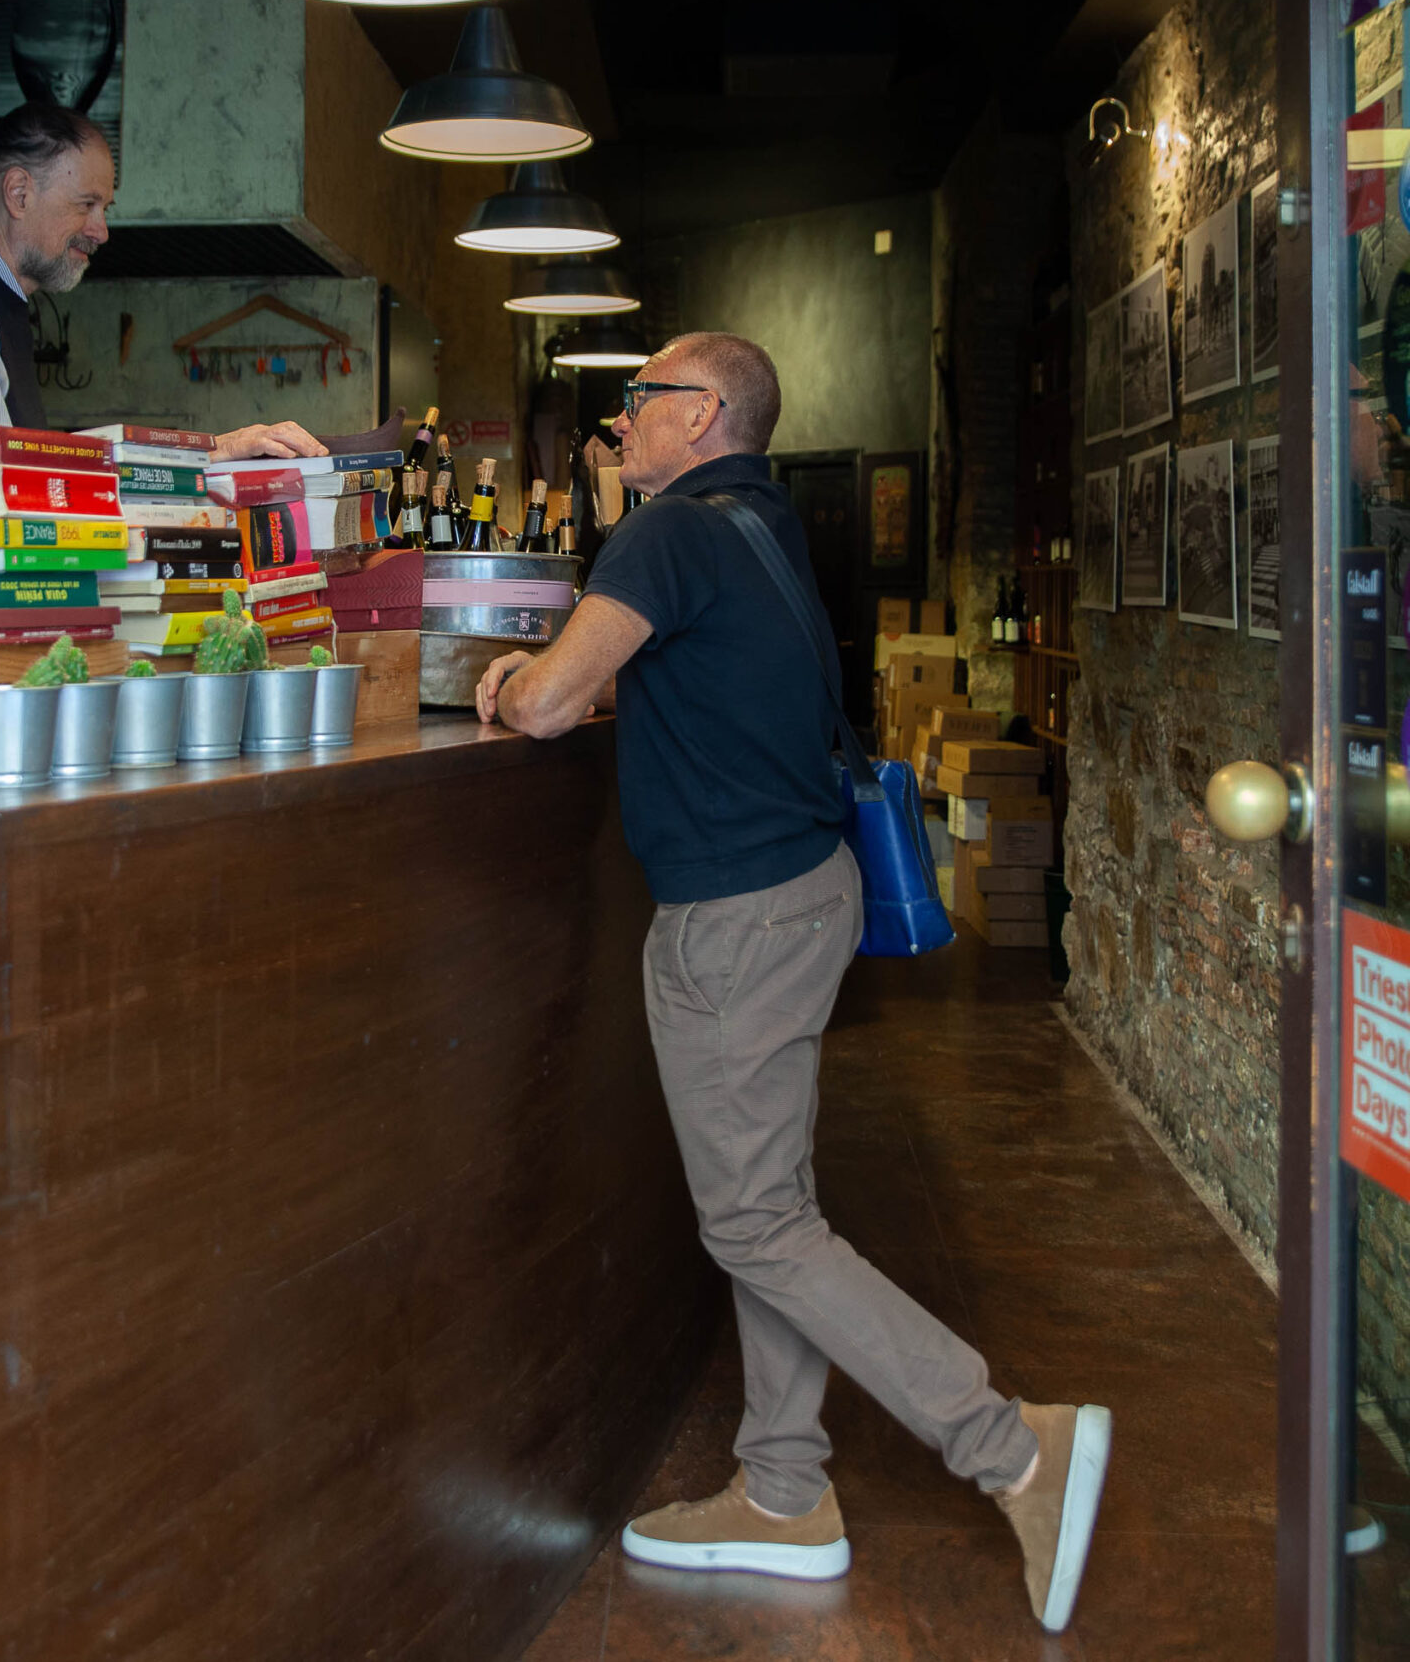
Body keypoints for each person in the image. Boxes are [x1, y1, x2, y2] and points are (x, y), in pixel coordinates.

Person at [473, 333, 1111, 1633]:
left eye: (640, 398)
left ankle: (1013, 1446)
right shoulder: (760, 522)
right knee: (774, 1207)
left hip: (735, 920)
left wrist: (507, 679)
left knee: (758, 1224)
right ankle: (781, 1488)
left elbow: (546, 703)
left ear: (701, 412)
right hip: (803, 893)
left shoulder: (663, 533)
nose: (621, 420)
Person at [0, 101, 320, 465]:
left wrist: (210, 453)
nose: (101, 231)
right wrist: (210, 453)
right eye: (85, 205)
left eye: (104, 209)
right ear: (18, 194)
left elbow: (34, 477)